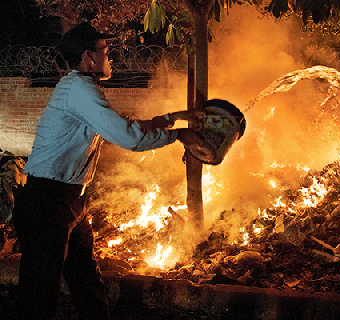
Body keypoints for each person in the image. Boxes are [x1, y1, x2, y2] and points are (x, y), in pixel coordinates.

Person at [12, 22, 205, 320]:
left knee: (87, 282)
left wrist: (172, 118)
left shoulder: (82, 88)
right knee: (39, 295)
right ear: (89, 56)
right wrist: (179, 135)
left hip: (68, 200)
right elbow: (127, 136)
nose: (111, 56)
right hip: (47, 203)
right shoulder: (79, 90)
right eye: (105, 50)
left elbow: (122, 125)